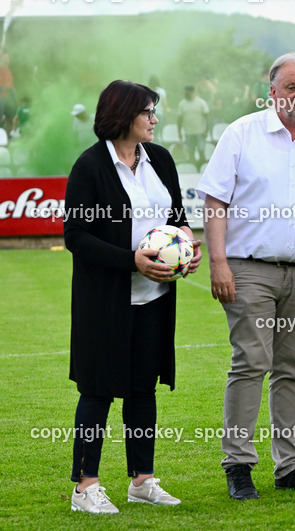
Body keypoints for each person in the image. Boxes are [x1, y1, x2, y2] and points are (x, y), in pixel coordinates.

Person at [198, 52, 295, 500]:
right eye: (292, 87)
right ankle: (239, 465)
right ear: (272, 92)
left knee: (292, 370)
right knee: (250, 363)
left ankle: (289, 467)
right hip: (249, 269)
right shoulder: (241, 133)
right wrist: (219, 263)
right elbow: (215, 203)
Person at [64, 80, 202, 514]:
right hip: (106, 300)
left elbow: (176, 216)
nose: (155, 119)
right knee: (98, 390)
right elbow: (75, 236)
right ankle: (85, 487)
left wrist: (186, 246)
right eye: (148, 111)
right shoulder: (89, 166)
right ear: (123, 115)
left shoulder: (160, 159)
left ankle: (142, 481)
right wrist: (132, 260)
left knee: (143, 390)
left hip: (156, 298)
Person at [177, 85, 210, 166]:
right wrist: (179, 132)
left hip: (200, 132)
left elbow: (207, 118)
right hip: (188, 132)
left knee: (201, 150)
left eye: (188, 93)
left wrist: (206, 130)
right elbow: (179, 119)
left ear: (192, 92)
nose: (186, 94)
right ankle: (193, 167)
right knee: (190, 152)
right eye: (185, 93)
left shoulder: (201, 103)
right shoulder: (182, 104)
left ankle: (201, 168)